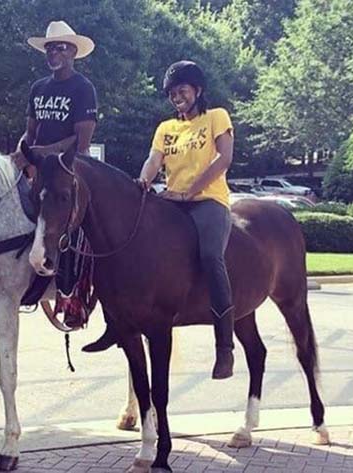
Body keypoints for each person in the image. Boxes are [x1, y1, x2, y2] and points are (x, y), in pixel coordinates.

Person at [86, 61, 236, 379]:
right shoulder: (166, 129)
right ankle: (116, 324)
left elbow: (224, 158)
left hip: (209, 202)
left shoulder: (215, 117)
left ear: (198, 90)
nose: (176, 97)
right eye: (171, 93)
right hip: (172, 202)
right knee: (128, 253)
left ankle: (224, 344)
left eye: (182, 90)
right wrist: (142, 181)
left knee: (211, 256)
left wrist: (190, 191)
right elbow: (154, 160)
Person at [11, 20, 98, 173]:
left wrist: (41, 152)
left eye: (61, 47)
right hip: (38, 167)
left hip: (69, 169)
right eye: (49, 48)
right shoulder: (38, 87)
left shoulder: (83, 88)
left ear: (74, 51)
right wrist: (21, 153)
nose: (53, 52)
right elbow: (30, 132)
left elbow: (81, 143)